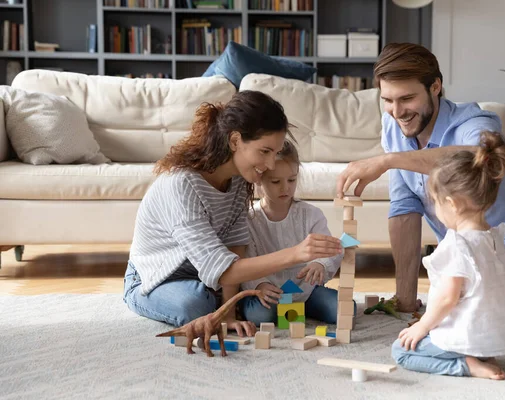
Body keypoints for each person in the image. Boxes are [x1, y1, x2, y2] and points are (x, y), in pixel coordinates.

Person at [336, 42, 505, 341]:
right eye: (388, 100)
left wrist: (387, 161)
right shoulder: (392, 126)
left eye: (407, 98)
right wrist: (406, 299)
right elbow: (405, 207)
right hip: (478, 253)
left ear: (435, 87)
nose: (397, 112)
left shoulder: (475, 121)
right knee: (467, 320)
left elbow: (478, 157)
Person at [123, 90, 342, 337]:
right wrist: (295, 253)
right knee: (196, 305)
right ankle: (153, 297)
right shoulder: (182, 185)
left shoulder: (238, 181)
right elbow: (225, 270)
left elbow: (235, 246)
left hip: (205, 276)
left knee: (227, 303)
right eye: (264, 151)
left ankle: (218, 299)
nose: (270, 165)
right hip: (156, 279)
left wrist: (228, 315)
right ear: (235, 141)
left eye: (275, 152)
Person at [391, 131, 505, 380]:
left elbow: (448, 298)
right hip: (494, 338)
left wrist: (422, 326)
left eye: (436, 202)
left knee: (401, 350)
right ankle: (481, 357)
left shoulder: (458, 244)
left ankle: (465, 365)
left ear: (453, 204)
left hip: (465, 338)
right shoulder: (495, 238)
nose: (435, 210)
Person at [238, 140, 353, 326]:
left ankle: (299, 309)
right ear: (259, 179)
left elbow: (330, 249)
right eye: (276, 181)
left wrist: (320, 264)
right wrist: (259, 284)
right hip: (270, 291)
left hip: (305, 290)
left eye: (292, 180)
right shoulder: (250, 219)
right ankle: (274, 309)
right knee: (259, 316)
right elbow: (247, 260)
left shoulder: (311, 214)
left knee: (344, 310)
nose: (286, 188)